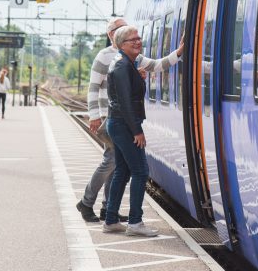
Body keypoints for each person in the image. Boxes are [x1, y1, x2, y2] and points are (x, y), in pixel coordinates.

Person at [76, 17, 183, 223]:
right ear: (112, 35)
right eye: (122, 30)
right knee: (112, 161)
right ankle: (88, 202)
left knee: (118, 163)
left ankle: (108, 208)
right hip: (111, 116)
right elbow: (93, 87)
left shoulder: (131, 56)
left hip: (121, 117)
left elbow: (157, 65)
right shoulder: (104, 56)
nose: (129, 34)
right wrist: (95, 115)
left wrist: (178, 53)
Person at [103, 25, 158, 237]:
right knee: (140, 171)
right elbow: (125, 102)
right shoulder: (122, 66)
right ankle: (135, 222)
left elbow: (127, 94)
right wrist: (137, 131)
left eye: (138, 38)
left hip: (118, 123)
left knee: (123, 171)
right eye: (132, 40)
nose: (137, 42)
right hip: (124, 124)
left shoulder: (124, 63)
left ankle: (111, 219)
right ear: (120, 44)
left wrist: (139, 78)